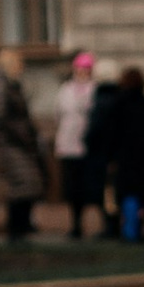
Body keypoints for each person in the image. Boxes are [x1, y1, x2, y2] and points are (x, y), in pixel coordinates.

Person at [93, 63, 144, 240]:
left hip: (127, 158)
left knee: (129, 194)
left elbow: (112, 134)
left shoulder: (119, 105)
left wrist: (109, 157)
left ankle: (131, 232)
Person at [0, 45, 44, 246]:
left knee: (29, 183)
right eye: (21, 63)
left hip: (17, 141)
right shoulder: (2, 84)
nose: (23, 67)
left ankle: (22, 226)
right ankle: (15, 229)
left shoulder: (10, 84)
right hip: (10, 142)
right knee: (24, 183)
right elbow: (2, 116)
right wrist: (18, 134)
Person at [51, 53, 99, 235]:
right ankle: (76, 223)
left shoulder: (95, 89)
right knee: (72, 187)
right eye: (79, 69)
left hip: (88, 146)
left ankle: (94, 223)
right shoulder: (66, 89)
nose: (81, 73)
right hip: (68, 146)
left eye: (85, 70)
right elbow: (58, 115)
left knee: (89, 186)